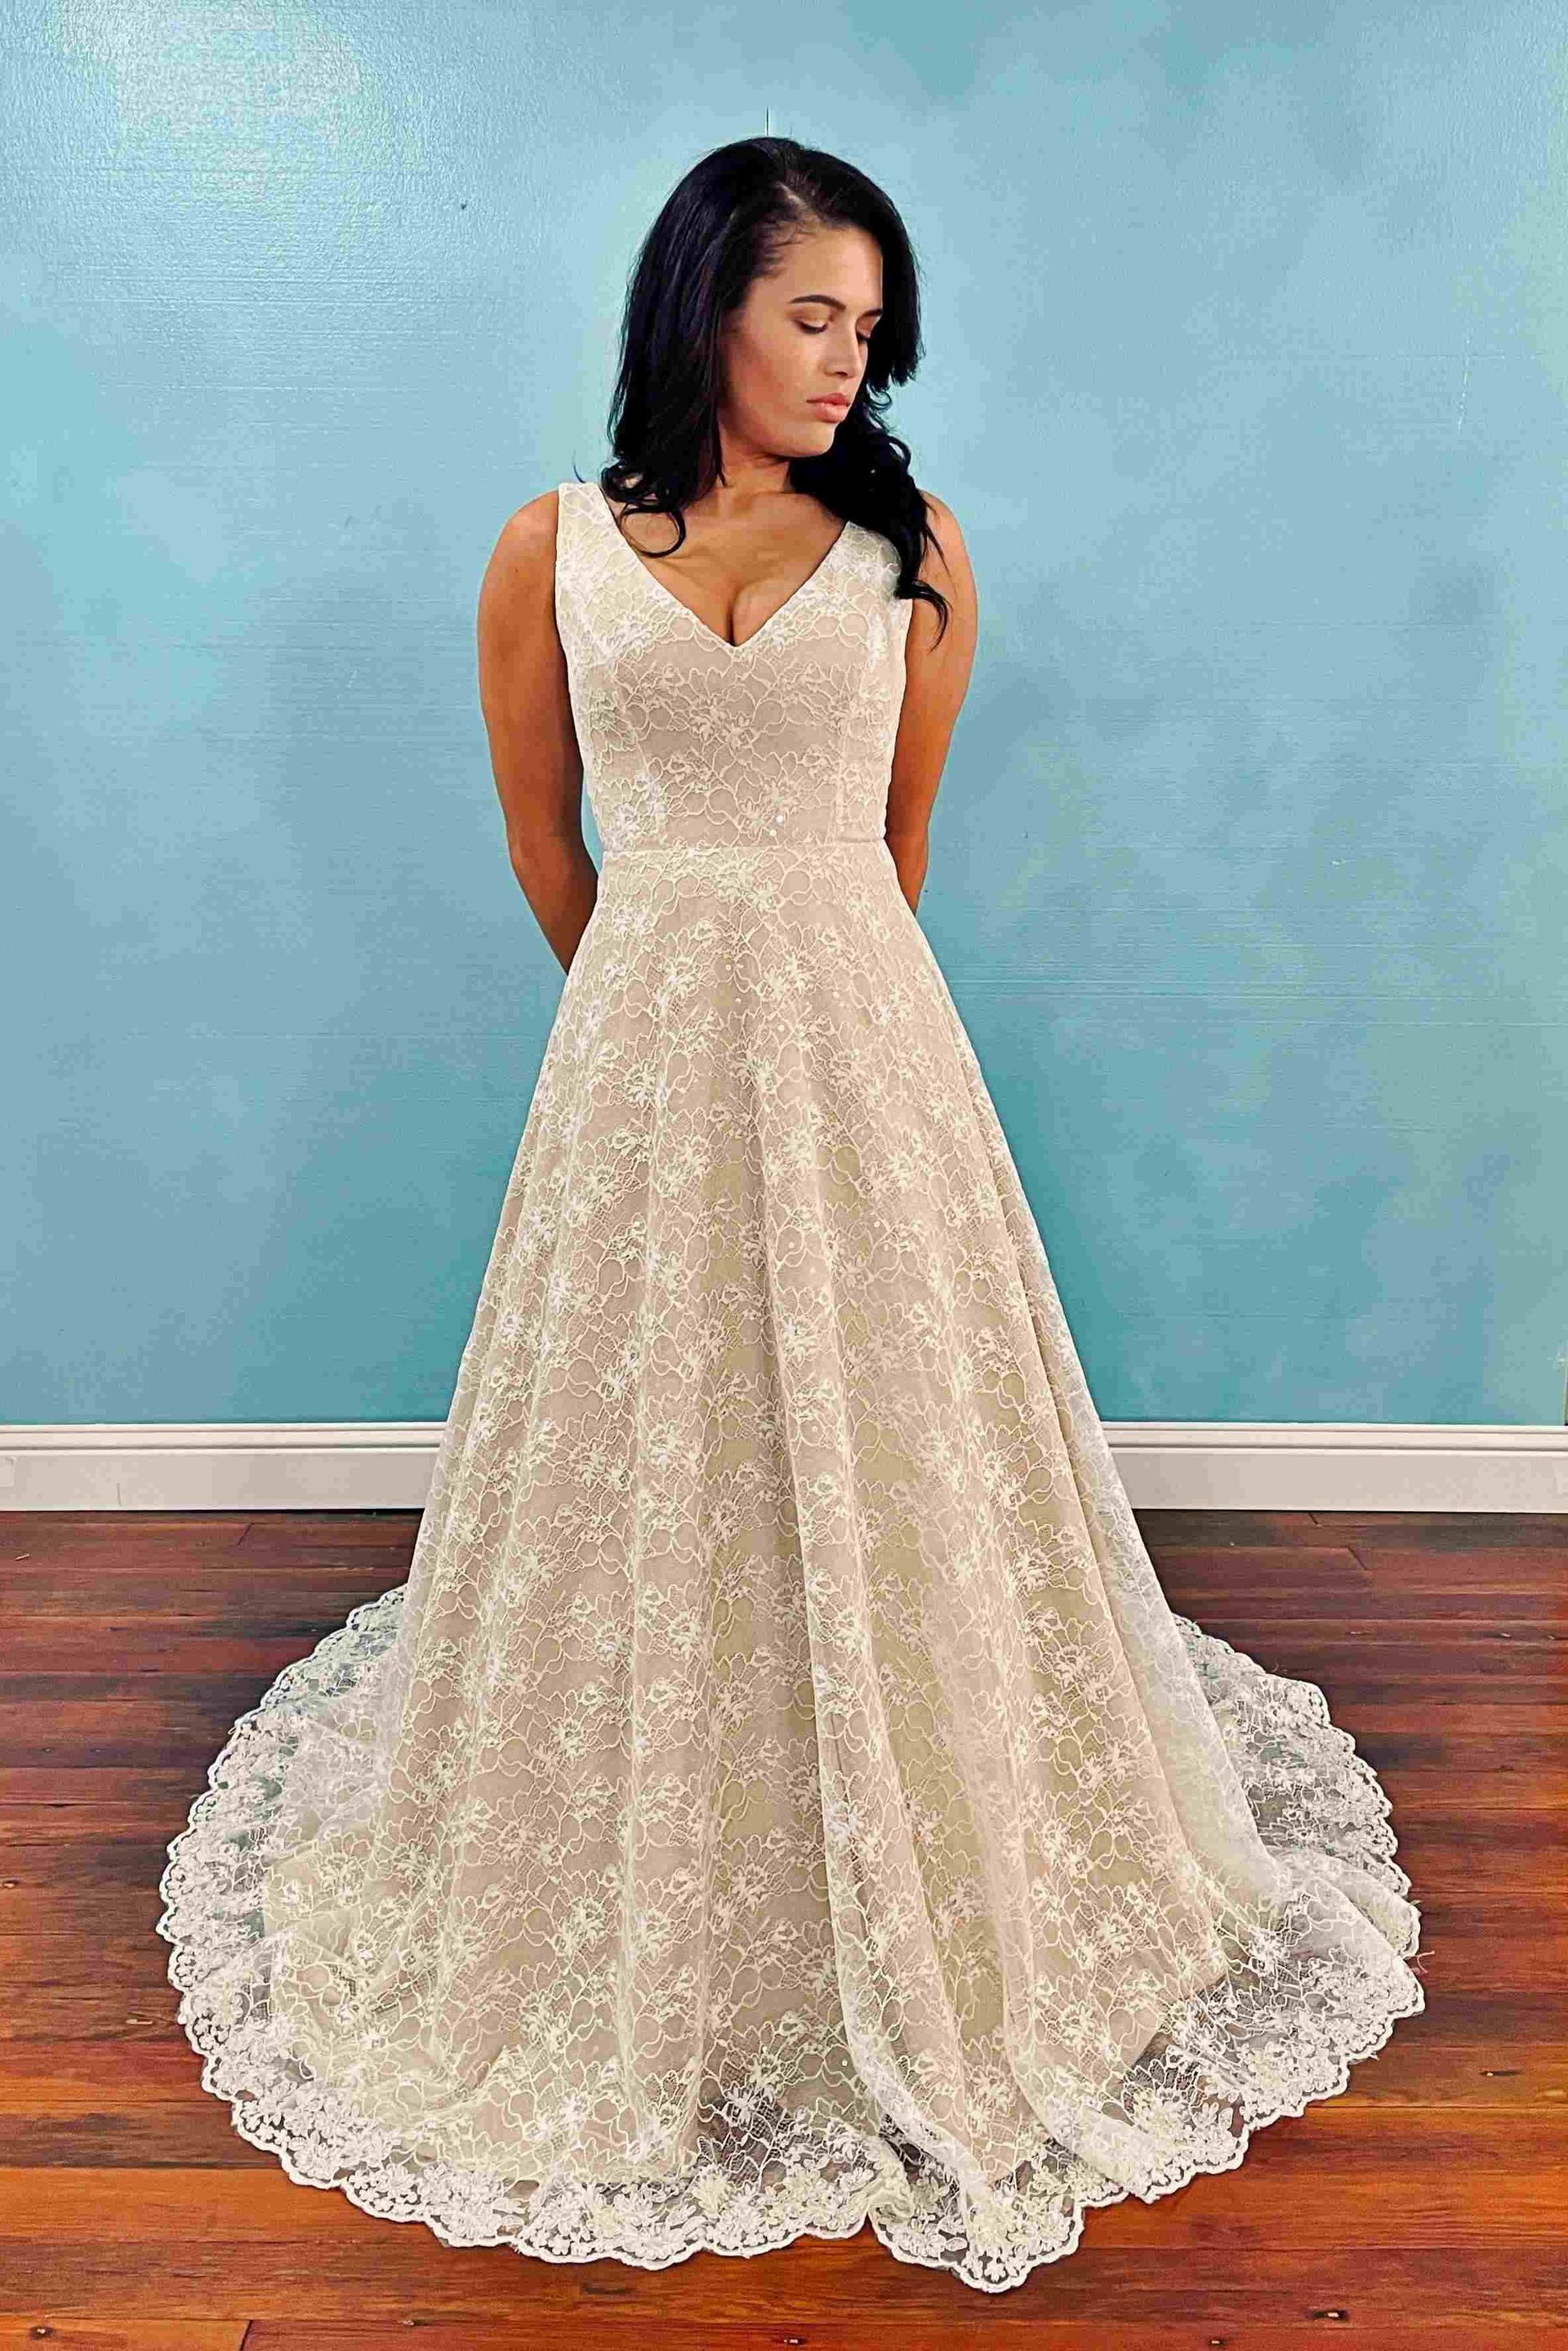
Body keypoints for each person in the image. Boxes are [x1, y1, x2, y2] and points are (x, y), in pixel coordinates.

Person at [158, 136, 1425, 2296]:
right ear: (704, 312)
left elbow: (898, 847)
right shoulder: (544, 552)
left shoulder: (915, 550)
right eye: (809, 316)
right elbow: (547, 840)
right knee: (649, 1466)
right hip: (637, 1067)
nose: (849, 360)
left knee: (890, 1439)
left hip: (865, 1052)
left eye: (868, 325)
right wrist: (662, 1004)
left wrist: (799, 1005)